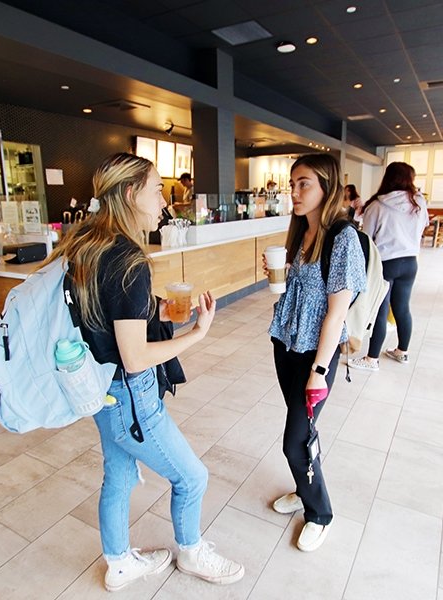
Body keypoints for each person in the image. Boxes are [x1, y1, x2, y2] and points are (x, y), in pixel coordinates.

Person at [48, 153, 244, 592]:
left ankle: (119, 564)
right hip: (129, 395)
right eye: (158, 189)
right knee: (192, 476)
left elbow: (103, 313)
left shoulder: (85, 246)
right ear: (132, 193)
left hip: (97, 387)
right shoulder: (130, 261)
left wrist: (154, 310)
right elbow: (135, 357)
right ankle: (191, 552)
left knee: (118, 474)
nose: (165, 199)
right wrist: (197, 332)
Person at [267, 154, 366, 552]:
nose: (294, 192)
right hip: (285, 345)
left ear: (327, 187)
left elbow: (336, 313)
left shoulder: (343, 238)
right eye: (292, 183)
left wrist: (319, 371)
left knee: (295, 442)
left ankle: (319, 513)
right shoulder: (300, 232)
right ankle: (302, 487)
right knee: (303, 431)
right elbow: (299, 291)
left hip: (315, 356)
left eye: (303, 183)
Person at [348, 162, 429, 371]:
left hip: (385, 264)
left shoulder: (377, 205)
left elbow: (367, 238)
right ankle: (402, 352)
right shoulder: (419, 202)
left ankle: (372, 359)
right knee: (402, 308)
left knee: (380, 311)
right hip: (410, 262)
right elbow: (422, 227)